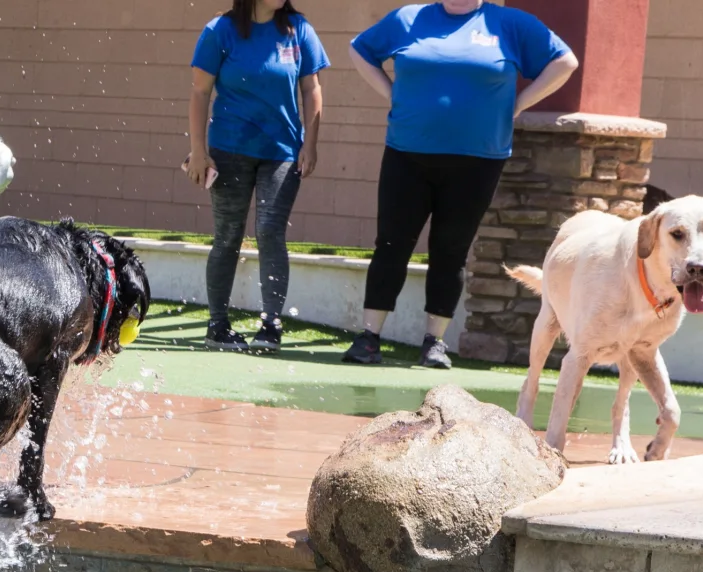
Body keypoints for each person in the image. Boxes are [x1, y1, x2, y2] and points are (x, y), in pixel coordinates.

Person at [344, 0, 578, 367]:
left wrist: (518, 105)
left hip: (478, 159)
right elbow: (360, 49)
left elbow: (564, 62)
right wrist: (391, 94)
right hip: (408, 152)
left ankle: (433, 342)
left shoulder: (509, 24)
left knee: (450, 249)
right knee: (391, 243)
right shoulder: (410, 17)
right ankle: (369, 336)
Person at [188, 0, 328, 351]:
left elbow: (312, 89)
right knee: (228, 235)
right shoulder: (219, 31)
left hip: (281, 152)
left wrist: (310, 145)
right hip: (228, 149)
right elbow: (200, 91)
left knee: (270, 230)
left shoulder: (299, 30)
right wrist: (199, 151)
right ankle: (217, 325)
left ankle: (271, 325)